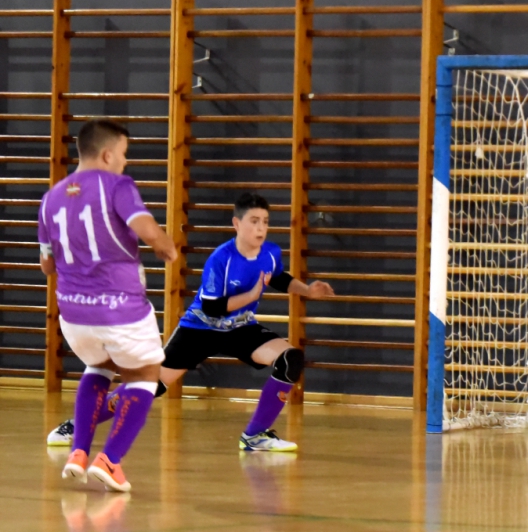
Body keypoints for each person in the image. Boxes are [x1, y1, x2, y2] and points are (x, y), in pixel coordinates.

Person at [47, 193, 334, 452]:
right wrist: (251, 295)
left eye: (266, 222)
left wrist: (307, 290)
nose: (261, 228)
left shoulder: (270, 252)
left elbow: (279, 277)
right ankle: (78, 424)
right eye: (254, 221)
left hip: (240, 328)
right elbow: (212, 307)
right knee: (151, 386)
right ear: (237, 224)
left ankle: (255, 436)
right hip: (200, 329)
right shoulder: (221, 259)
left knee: (290, 359)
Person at [42, 119, 178, 492]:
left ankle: (78, 452)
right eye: (123, 154)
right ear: (106, 154)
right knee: (145, 376)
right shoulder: (117, 185)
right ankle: (110, 460)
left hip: (73, 313)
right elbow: (147, 229)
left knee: (98, 366)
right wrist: (166, 246)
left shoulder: (51, 198)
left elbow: (47, 265)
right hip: (120, 309)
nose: (124, 162)